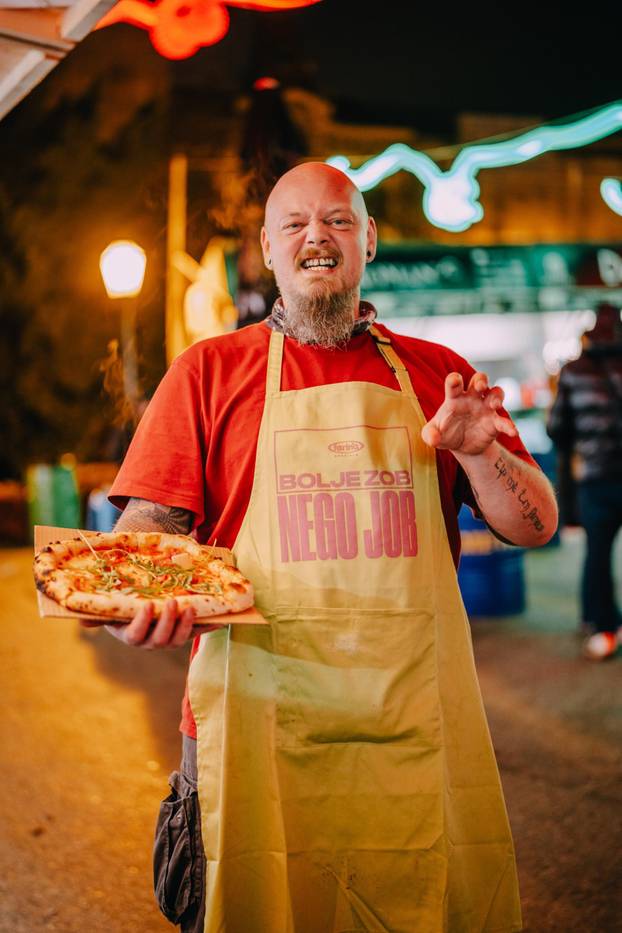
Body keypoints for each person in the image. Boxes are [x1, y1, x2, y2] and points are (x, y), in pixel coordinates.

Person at [103, 162, 558, 933]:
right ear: (267, 249)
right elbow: (142, 536)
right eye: (295, 223)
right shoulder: (207, 372)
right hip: (248, 729)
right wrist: (134, 605)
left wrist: (481, 451)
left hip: (412, 731)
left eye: (339, 220)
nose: (317, 235)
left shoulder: (440, 375)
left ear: (368, 239)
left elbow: (536, 525)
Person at [547, 303, 622, 661]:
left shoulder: (574, 371)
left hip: (596, 478)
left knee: (597, 554)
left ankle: (602, 627)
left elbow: (556, 428)